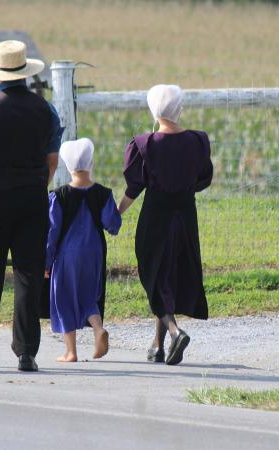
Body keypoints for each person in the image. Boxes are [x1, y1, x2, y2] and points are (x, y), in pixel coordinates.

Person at [0, 40, 63, 372]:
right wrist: (36, 185)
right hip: (33, 198)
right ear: (25, 73)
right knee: (29, 274)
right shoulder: (45, 109)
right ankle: (26, 351)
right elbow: (51, 159)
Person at [118, 84, 213, 366]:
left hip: (155, 216)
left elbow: (134, 187)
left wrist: (116, 212)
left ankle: (174, 331)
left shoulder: (144, 145)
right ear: (180, 108)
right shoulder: (197, 142)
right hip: (185, 215)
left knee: (153, 275)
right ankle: (157, 345)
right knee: (168, 275)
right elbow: (203, 179)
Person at [45, 138, 122, 362]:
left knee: (65, 297)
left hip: (67, 254)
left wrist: (46, 262)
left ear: (66, 166)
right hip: (94, 252)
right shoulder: (103, 194)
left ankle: (71, 352)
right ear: (91, 163)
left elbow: (52, 232)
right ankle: (98, 329)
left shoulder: (58, 196)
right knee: (89, 295)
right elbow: (113, 225)